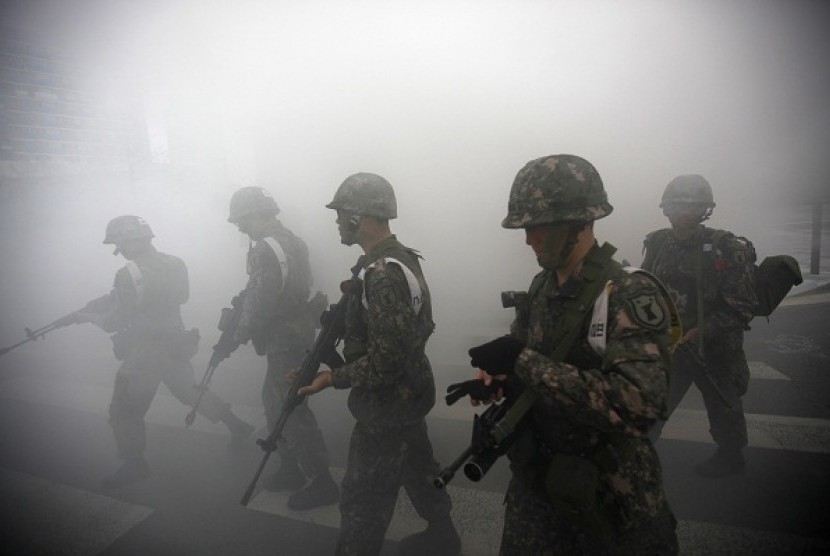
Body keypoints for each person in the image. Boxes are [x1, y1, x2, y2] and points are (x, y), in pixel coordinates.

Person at [467, 154, 678, 554]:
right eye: (525, 228)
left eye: (539, 228)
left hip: (608, 498)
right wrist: (497, 379)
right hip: (539, 487)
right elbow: (524, 358)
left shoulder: (628, 293)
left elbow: (642, 403)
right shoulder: (541, 286)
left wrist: (522, 362)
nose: (529, 239)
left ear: (580, 222)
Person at [298, 173, 460, 556]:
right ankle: (443, 534)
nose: (336, 221)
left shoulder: (383, 273)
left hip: (388, 403)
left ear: (358, 216)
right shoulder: (396, 259)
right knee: (419, 469)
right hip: (408, 393)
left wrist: (330, 378)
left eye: (341, 213)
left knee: (362, 503)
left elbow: (386, 361)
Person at [66, 215, 254, 489]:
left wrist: (86, 316)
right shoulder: (175, 263)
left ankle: (134, 463)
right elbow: (179, 297)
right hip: (175, 342)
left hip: (145, 352)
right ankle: (236, 424)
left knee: (124, 409)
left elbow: (114, 321)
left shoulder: (127, 273)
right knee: (189, 390)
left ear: (128, 242)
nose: (118, 249)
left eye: (118, 243)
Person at [227, 186, 339, 510]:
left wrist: (238, 335)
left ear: (257, 214)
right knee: (275, 402)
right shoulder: (292, 240)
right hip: (297, 330)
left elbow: (261, 301)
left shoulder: (264, 248)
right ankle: (291, 468)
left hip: (284, 337)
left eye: (242, 220)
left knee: (291, 409)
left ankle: (321, 481)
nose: (239, 227)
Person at [643, 174, 757, 477]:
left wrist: (703, 331)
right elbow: (646, 287)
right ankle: (636, 457)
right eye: (678, 205)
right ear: (666, 208)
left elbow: (742, 305)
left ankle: (731, 456)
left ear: (705, 209)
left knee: (724, 405)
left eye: (692, 206)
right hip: (672, 343)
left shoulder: (724, 247)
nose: (684, 212)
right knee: (653, 404)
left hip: (715, 347)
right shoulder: (656, 243)